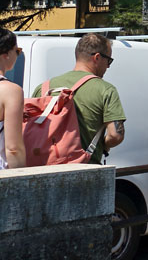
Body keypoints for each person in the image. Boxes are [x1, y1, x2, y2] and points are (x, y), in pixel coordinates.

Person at [32, 33, 125, 164]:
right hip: (84, 169)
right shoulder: (106, 90)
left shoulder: (43, 88)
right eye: (109, 60)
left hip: (43, 168)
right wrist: (102, 146)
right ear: (97, 57)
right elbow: (115, 135)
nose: (108, 66)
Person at [0, 28, 26, 169]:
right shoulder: (10, 91)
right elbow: (14, 149)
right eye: (17, 51)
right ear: (6, 54)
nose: (18, 55)